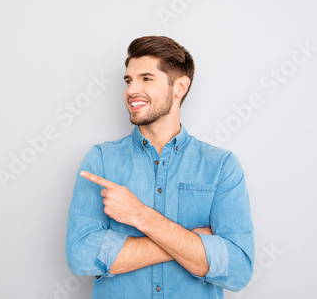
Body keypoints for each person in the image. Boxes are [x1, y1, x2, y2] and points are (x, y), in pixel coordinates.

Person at [65, 36, 255, 298]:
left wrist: (139, 215)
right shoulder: (100, 160)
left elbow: (237, 270)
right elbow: (82, 256)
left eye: (146, 78)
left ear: (179, 87)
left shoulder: (221, 167)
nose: (132, 90)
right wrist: (189, 243)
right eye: (129, 80)